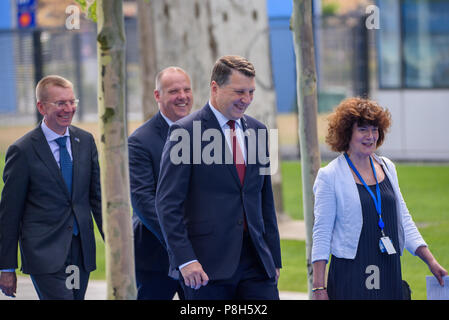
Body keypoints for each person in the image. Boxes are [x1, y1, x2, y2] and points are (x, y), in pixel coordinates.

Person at [155, 55, 282, 300]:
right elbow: (167, 204)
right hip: (205, 267)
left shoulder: (259, 131)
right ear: (215, 88)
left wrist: (273, 258)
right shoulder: (184, 132)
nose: (246, 100)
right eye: (239, 92)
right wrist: (186, 260)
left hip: (257, 262)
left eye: (251, 92)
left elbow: (265, 200)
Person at [311, 97, 448, 300]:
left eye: (375, 129)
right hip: (351, 275)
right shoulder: (330, 175)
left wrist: (431, 262)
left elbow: (404, 220)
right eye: (363, 129)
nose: (370, 136)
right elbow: (321, 233)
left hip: (388, 269)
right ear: (347, 132)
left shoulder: (387, 167)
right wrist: (319, 288)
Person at [0, 75, 103, 300]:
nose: (69, 108)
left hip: (80, 251)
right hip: (44, 254)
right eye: (60, 103)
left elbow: (97, 198)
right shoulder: (23, 151)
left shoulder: (85, 141)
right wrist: (6, 267)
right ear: (41, 106)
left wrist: (117, 245)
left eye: (71, 101)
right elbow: (9, 213)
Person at [128, 67, 193, 299]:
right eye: (174, 91)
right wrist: (179, 242)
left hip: (200, 256)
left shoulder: (204, 134)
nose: (183, 96)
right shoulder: (139, 141)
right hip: (155, 255)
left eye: (186, 89)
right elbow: (143, 200)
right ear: (158, 96)